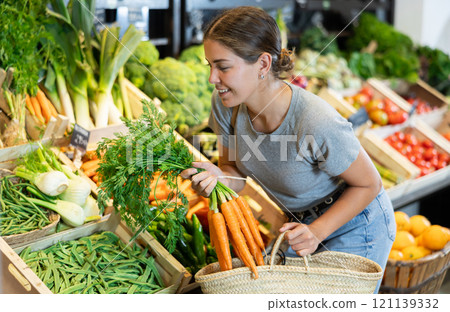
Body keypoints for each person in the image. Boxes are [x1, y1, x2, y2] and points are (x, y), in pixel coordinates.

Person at [180, 6, 395, 293]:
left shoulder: (314, 120)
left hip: (356, 222)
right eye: (210, 66)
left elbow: (370, 184)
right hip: (297, 224)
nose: (213, 79)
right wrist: (219, 178)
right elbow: (233, 171)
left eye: (223, 67)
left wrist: (318, 231)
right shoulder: (226, 106)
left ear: (263, 64)